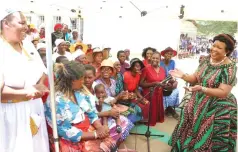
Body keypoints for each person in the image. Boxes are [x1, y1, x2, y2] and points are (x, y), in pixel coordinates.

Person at [168, 34, 237, 151]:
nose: (214, 49)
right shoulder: (205, 60)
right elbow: (195, 78)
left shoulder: (229, 67)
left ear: (227, 51)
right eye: (213, 45)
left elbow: (223, 92)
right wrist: (183, 76)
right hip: (197, 101)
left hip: (217, 106)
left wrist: (202, 89)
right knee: (190, 128)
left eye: (219, 48)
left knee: (209, 134)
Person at [0, 9, 49, 152]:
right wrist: (26, 92)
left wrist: (39, 86)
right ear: (5, 24)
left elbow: (42, 71)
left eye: (26, 23)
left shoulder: (27, 44)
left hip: (34, 108)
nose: (26, 27)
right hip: (10, 113)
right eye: (21, 22)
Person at [45, 61, 116, 152]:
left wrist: (100, 128)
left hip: (85, 131)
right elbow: (64, 130)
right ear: (72, 81)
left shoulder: (79, 92)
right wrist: (95, 134)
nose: (83, 82)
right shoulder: (57, 101)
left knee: (109, 143)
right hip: (67, 139)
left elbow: (91, 113)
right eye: (82, 79)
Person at [140, 52, 166, 125]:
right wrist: (153, 84)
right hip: (150, 93)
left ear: (160, 59)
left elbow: (163, 82)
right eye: (153, 58)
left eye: (157, 58)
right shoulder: (146, 69)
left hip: (159, 93)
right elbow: (141, 83)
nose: (155, 59)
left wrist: (167, 84)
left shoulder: (162, 70)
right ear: (150, 58)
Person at [160, 47, 179, 119]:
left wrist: (173, 80)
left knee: (175, 89)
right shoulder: (160, 62)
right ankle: (169, 109)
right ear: (164, 55)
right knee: (165, 89)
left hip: (169, 80)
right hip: (161, 81)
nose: (169, 55)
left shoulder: (173, 62)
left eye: (171, 54)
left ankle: (169, 108)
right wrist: (165, 81)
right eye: (167, 53)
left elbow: (173, 73)